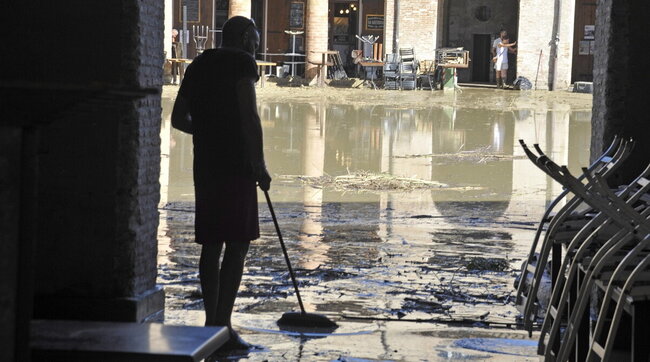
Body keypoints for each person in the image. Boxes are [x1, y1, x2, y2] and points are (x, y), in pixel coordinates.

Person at [171, 16, 271, 350]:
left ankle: (209, 325)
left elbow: (177, 118)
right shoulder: (243, 63)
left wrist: (207, 131)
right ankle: (224, 327)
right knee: (238, 242)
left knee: (212, 242)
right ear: (244, 38)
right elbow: (249, 114)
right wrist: (259, 163)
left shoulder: (199, 64)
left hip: (206, 163)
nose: (257, 46)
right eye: (255, 39)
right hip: (237, 164)